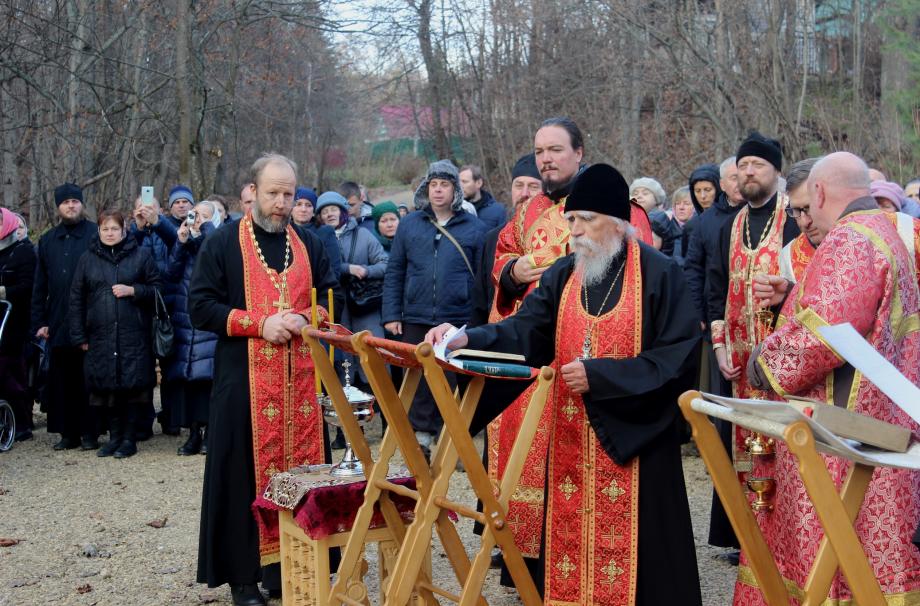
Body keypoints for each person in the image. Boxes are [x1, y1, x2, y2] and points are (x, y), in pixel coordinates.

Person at [425, 163, 702, 604]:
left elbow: (681, 356)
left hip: (636, 441)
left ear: (618, 221)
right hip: (571, 440)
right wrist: (465, 338)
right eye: (571, 220)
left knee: (647, 565)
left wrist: (603, 377)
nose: (575, 231)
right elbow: (523, 332)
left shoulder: (660, 273)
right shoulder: (565, 273)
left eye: (586, 219)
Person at [741, 152, 920, 605]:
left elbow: (823, 336)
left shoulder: (851, 238)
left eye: (806, 206)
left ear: (818, 192)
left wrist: (762, 363)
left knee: (837, 552)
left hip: (847, 435)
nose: (804, 219)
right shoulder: (883, 229)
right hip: (883, 421)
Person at [190, 154, 342, 606]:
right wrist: (259, 325)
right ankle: (243, 577)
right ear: (252, 191)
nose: (280, 203)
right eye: (273, 192)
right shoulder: (221, 244)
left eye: (288, 193)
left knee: (302, 474)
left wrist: (303, 317)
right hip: (243, 384)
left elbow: (330, 300)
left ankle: (288, 569)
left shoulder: (310, 243)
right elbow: (200, 306)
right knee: (241, 476)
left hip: (300, 387)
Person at [381, 159, 485, 456]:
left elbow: (481, 278)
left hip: (458, 315)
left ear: (456, 190)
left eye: (445, 185)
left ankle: (458, 442)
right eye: (433, 185)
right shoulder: (410, 224)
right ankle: (421, 440)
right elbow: (396, 270)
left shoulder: (475, 228)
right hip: (416, 314)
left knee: (457, 379)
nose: (438, 191)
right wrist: (391, 314)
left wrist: (478, 318)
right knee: (421, 380)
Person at [707, 132, 799, 399]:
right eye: (743, 165)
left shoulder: (795, 219)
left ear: (777, 171)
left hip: (784, 356)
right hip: (736, 361)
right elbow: (715, 290)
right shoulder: (729, 226)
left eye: (757, 165)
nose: (748, 172)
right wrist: (719, 349)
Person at [69, 209, 161, 458]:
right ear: (98, 231)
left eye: (114, 228)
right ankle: (114, 437)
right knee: (107, 388)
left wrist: (134, 290)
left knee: (131, 387)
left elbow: (158, 291)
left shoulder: (141, 256)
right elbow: (76, 299)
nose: (110, 233)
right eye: (105, 229)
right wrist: (79, 336)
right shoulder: (87, 259)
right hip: (100, 335)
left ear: (124, 230)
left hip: (134, 335)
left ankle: (129, 439)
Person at [31, 183, 99, 451]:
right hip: (58, 319)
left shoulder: (95, 234)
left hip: (90, 319)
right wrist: (39, 322)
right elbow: (40, 285)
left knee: (89, 380)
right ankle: (67, 432)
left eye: (75, 201)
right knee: (63, 381)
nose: (71, 206)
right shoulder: (48, 240)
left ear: (82, 204)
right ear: (58, 207)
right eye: (66, 202)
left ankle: (91, 432)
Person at [166, 201, 221, 456]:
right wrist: (180, 242)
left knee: (208, 380)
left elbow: (217, 254)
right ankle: (193, 433)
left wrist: (206, 227)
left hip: (210, 319)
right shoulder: (188, 243)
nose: (198, 219)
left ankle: (211, 432)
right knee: (189, 380)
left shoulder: (219, 239)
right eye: (195, 214)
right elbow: (171, 272)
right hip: (186, 318)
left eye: (205, 216)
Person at [130, 193, 180, 438]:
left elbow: (178, 246)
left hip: (167, 303)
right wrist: (139, 228)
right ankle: (143, 421)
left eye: (150, 208)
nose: (145, 212)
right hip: (138, 304)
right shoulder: (130, 232)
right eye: (141, 208)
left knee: (169, 361)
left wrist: (159, 223)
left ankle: (170, 418)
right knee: (142, 365)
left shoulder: (168, 229)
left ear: (161, 211)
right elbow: (124, 252)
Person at [0, 207, 37, 441]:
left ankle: (22, 419)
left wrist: (4, 291)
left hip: (13, 320)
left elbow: (28, 287)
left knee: (8, 370)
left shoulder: (23, 252)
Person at [778, 158, 823, 283]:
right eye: (797, 210)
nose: (804, 222)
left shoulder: (868, 244)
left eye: (809, 208)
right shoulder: (788, 258)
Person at [292, 186, 341, 280]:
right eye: (298, 204)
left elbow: (334, 271)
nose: (303, 209)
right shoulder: (283, 231)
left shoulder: (325, 232)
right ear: (291, 208)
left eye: (308, 205)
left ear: (314, 211)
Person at [460, 164, 507, 230]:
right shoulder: (457, 210)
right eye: (459, 182)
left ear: (479, 183)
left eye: (464, 182)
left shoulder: (497, 210)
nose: (460, 186)